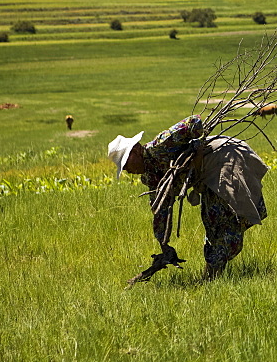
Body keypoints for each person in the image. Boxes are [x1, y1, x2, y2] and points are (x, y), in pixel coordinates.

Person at [107, 114, 268, 281]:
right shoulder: (151, 176)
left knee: (228, 221)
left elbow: (194, 121)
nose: (127, 170)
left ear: (136, 149)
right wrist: (164, 244)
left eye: (126, 163)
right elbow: (159, 210)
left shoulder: (161, 145)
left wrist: (196, 148)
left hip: (224, 159)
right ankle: (212, 276)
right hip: (208, 175)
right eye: (123, 167)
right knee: (213, 224)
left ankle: (212, 276)